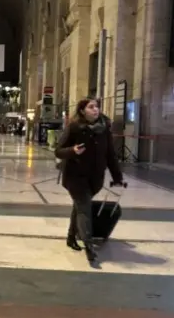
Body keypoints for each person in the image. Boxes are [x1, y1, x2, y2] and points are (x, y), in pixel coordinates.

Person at [55, 98, 123, 263]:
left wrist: (117, 177)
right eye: (91, 107)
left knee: (79, 206)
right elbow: (58, 150)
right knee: (84, 208)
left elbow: (110, 155)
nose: (95, 110)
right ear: (82, 111)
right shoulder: (74, 127)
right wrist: (72, 150)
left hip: (95, 178)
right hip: (75, 176)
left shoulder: (104, 129)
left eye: (97, 107)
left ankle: (71, 237)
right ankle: (89, 245)